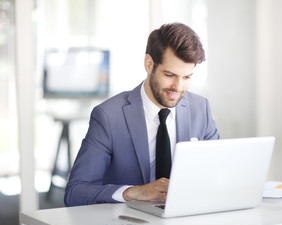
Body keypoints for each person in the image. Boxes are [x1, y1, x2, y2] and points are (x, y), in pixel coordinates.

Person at [64, 23, 219, 206]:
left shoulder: (201, 109)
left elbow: (218, 172)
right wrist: (133, 192)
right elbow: (75, 192)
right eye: (169, 75)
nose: (178, 88)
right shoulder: (108, 116)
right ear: (149, 64)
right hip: (130, 223)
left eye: (186, 77)